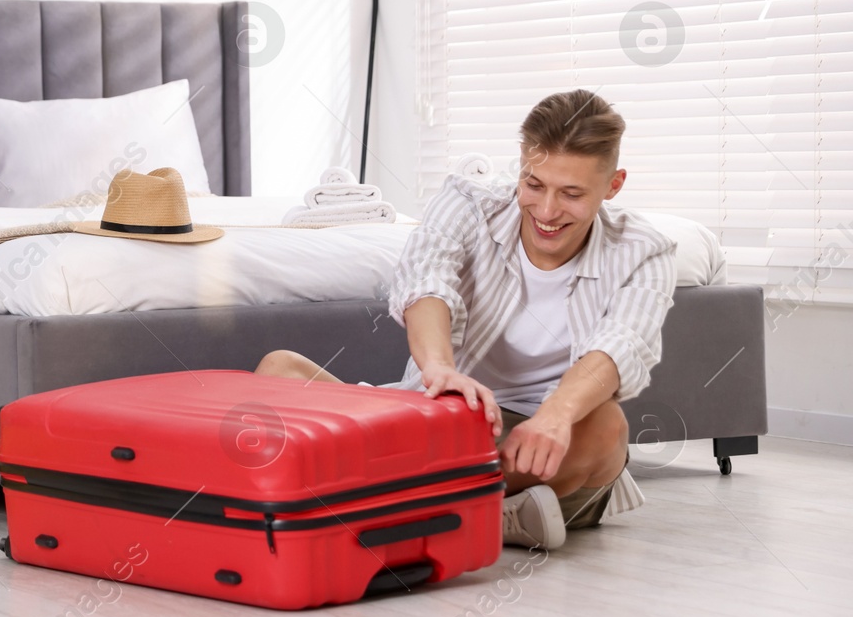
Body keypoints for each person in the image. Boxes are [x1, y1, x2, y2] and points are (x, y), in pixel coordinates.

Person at [256, 89, 676, 550]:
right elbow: (426, 281)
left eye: (572, 194)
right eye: (533, 185)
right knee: (279, 371)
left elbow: (623, 344)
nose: (548, 211)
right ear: (519, 165)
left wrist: (554, 416)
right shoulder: (467, 202)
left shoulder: (646, 250)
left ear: (613, 185)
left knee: (607, 428)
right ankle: (469, 516)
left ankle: (386, 505)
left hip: (541, 449)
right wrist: (439, 370)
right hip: (440, 423)